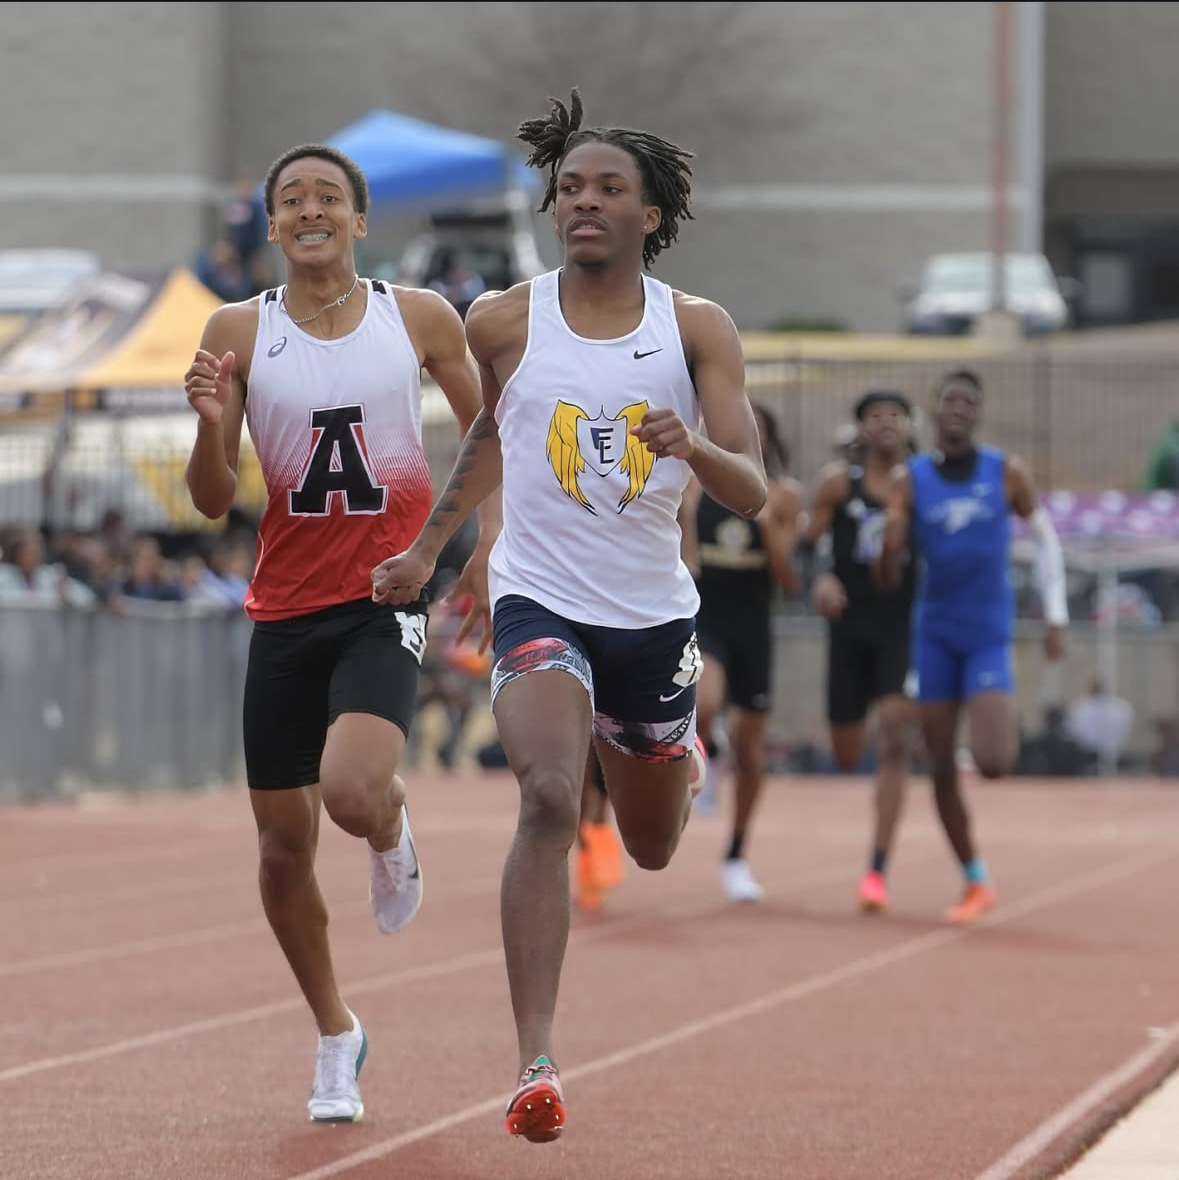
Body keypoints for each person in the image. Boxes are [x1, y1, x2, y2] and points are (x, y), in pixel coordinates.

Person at [369, 88, 767, 1143]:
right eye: (570, 188)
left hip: (651, 619)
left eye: (608, 189)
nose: (584, 202)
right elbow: (489, 440)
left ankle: (673, 754)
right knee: (547, 795)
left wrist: (694, 447)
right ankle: (534, 1061)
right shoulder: (503, 320)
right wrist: (431, 548)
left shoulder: (696, 328)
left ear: (650, 214)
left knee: (652, 846)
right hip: (540, 596)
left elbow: (754, 492)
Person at [182, 142, 496, 1125]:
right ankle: (334, 1032)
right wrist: (208, 425)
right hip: (283, 607)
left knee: (354, 792)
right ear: (272, 224)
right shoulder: (238, 328)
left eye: (328, 196)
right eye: (291, 199)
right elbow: (209, 499)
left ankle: (391, 827)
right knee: (283, 848)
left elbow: (492, 429)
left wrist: (484, 544)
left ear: (360, 220)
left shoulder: (420, 316)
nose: (309, 209)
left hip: (383, 594)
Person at [878, 369, 1068, 924]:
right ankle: (975, 878)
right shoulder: (911, 480)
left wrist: (1055, 614)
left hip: (986, 633)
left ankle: (988, 719)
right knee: (939, 763)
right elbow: (889, 576)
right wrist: (890, 547)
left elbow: (1046, 539)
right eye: (949, 400)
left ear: (978, 413)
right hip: (935, 633)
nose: (958, 408)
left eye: (968, 401)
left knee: (994, 762)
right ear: (934, 411)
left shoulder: (1005, 472)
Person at [679, 403, 803, 902]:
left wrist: (769, 525)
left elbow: (789, 581)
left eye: (757, 431)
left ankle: (735, 854)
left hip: (753, 626)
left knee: (752, 750)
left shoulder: (783, 494)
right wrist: (688, 516)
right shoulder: (693, 484)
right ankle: (710, 752)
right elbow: (685, 561)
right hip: (706, 618)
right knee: (706, 703)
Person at [800, 390, 918, 915]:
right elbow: (806, 547)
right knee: (847, 753)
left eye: (895, 415)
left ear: (910, 427)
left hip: (902, 627)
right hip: (848, 627)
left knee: (895, 738)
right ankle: (866, 718)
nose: (886, 422)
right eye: (875, 415)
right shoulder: (836, 484)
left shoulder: (922, 485)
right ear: (861, 429)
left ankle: (876, 870)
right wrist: (820, 579)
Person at [573, 745, 625, 913]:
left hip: (600, 743)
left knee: (597, 811)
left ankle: (595, 878)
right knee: (587, 808)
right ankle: (591, 879)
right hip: (590, 745)